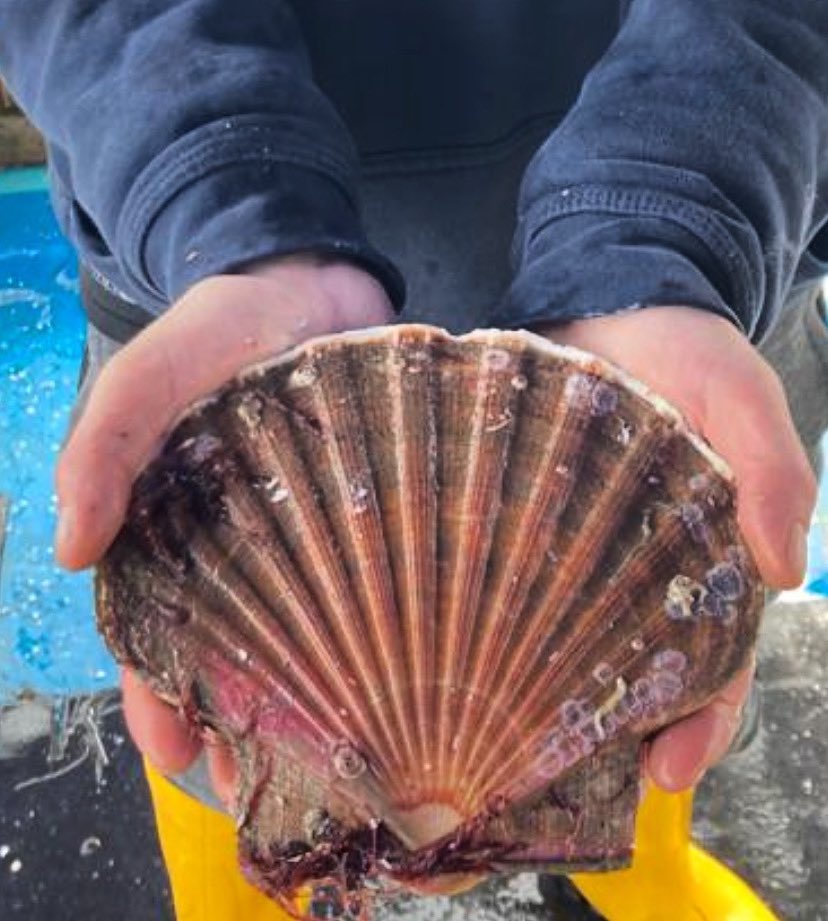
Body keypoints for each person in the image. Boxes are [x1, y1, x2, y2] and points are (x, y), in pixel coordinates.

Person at [1, 1, 827, 917]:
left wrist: (676, 219)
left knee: (640, 682)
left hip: (701, 259)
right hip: (203, 278)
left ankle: (641, 867)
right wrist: (214, 192)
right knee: (228, 728)